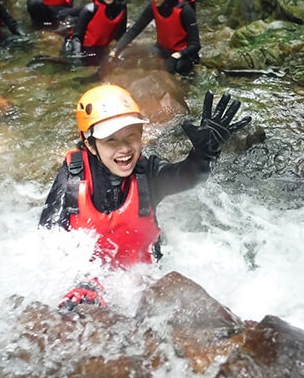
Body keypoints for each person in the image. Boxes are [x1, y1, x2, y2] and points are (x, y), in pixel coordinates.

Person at [39, 84, 251, 308]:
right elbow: (47, 241)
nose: (124, 149)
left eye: (131, 136)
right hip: (88, 278)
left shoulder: (147, 175)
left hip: (140, 279)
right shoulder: (73, 175)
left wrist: (205, 154)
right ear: (90, 143)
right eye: (111, 139)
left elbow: (187, 176)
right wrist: (78, 282)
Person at [110, 0, 200, 75]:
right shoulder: (153, 6)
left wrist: (178, 55)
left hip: (182, 55)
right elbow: (134, 30)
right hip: (161, 50)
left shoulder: (185, 10)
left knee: (177, 67)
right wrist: (115, 50)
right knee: (123, 55)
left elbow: (195, 45)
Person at [63, 0, 127, 66]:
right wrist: (77, 58)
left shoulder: (122, 8)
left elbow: (121, 34)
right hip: (82, 48)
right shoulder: (90, 9)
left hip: (101, 48)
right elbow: (76, 38)